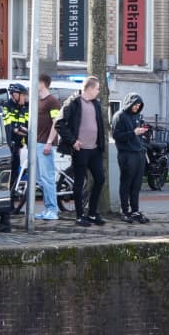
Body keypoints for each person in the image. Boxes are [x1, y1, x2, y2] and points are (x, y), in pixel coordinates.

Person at [56, 76, 108, 227]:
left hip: (94, 149)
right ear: (90, 89)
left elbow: (99, 124)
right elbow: (59, 124)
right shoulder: (74, 102)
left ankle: (92, 213)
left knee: (100, 178)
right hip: (81, 150)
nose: (98, 92)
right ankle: (80, 216)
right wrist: (73, 141)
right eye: (97, 89)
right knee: (79, 182)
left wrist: (100, 144)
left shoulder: (96, 104)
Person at [0, 82, 31, 233]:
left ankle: (5, 219)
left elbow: (27, 127)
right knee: (4, 184)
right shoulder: (5, 107)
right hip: (6, 150)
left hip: (17, 150)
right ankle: (4, 219)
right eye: (23, 95)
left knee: (10, 184)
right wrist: (20, 130)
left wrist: (21, 130)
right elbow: (12, 128)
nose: (25, 98)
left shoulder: (25, 108)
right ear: (14, 94)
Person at [112, 93, 151, 223]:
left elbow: (140, 135)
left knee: (136, 184)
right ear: (130, 103)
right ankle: (124, 210)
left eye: (139, 105)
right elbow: (117, 135)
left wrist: (145, 132)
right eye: (135, 105)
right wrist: (133, 133)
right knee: (126, 182)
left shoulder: (138, 116)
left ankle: (135, 210)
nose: (136, 107)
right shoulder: (119, 116)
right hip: (126, 153)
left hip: (139, 152)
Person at [34, 76, 63, 221]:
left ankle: (52, 209)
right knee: (40, 178)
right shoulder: (38, 100)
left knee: (47, 178)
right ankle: (48, 209)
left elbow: (55, 123)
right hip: (37, 144)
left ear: (43, 83)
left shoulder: (52, 101)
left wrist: (49, 142)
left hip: (44, 144)